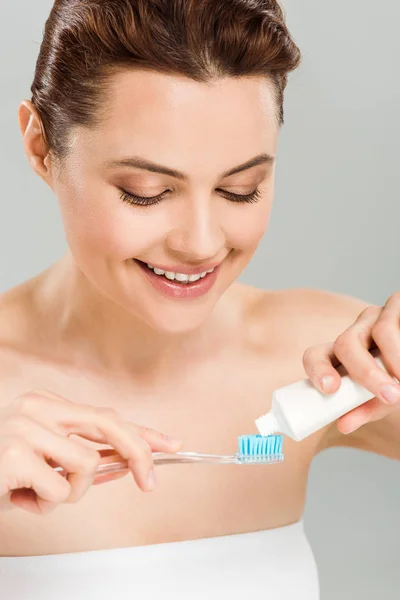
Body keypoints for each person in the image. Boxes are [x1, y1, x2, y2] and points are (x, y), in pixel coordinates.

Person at [1, 1, 399, 598]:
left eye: (241, 190)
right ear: (40, 147)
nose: (202, 242)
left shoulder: (331, 358)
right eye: (146, 193)